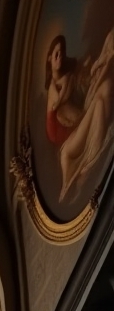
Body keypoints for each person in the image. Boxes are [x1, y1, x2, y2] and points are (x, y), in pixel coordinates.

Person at [44, 30, 114, 201]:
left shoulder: (68, 78)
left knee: (97, 99)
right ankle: (86, 168)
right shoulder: (53, 87)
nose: (60, 57)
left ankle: (77, 178)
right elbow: (58, 105)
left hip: (68, 138)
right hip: (61, 137)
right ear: (49, 59)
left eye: (62, 53)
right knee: (97, 100)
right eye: (56, 54)